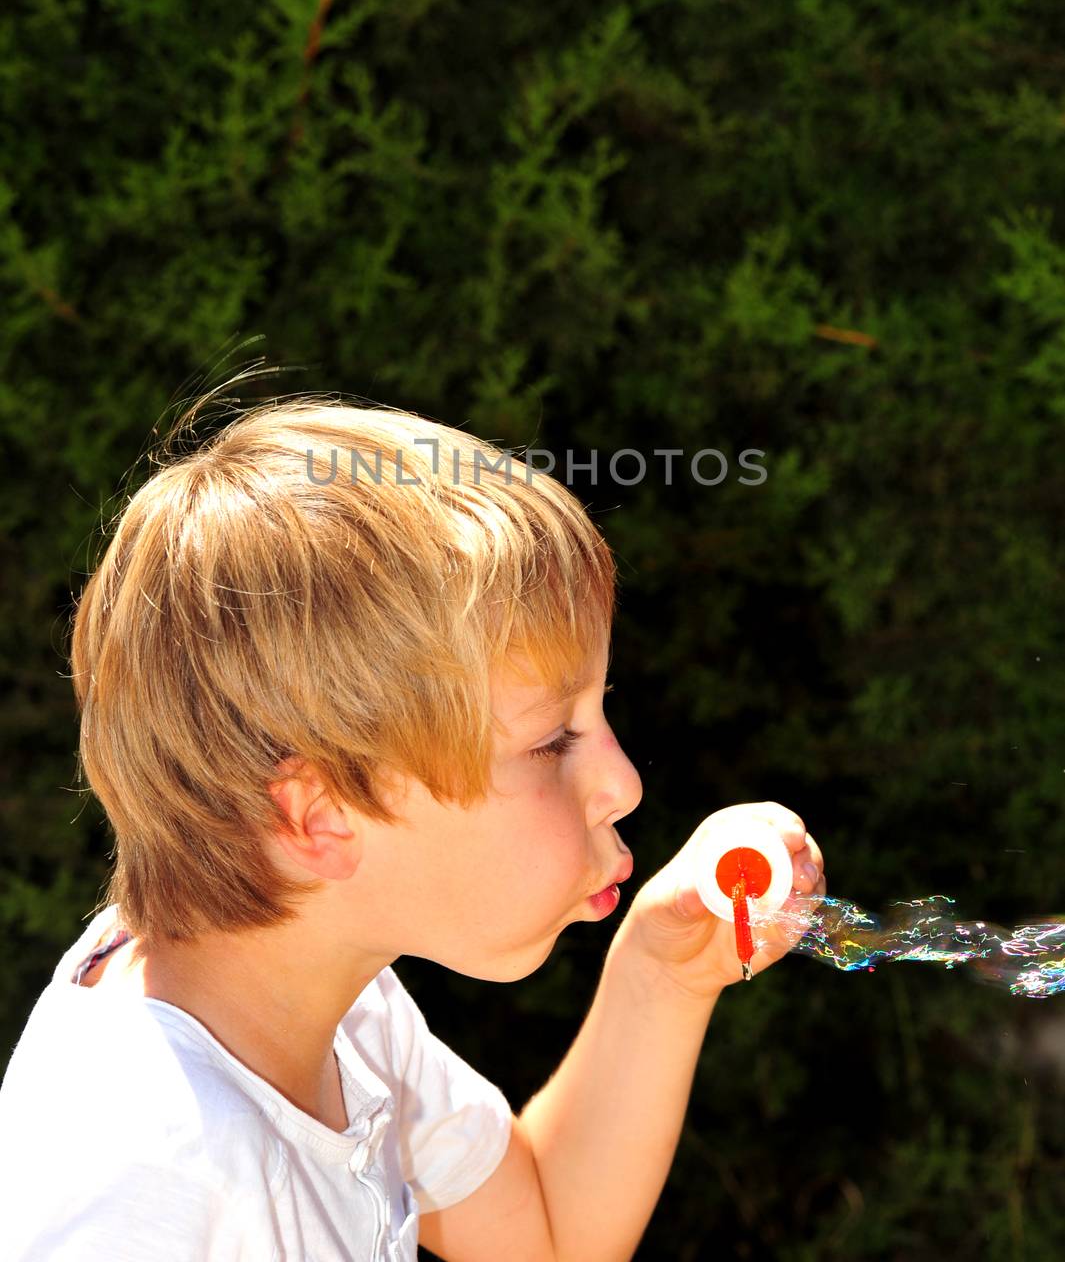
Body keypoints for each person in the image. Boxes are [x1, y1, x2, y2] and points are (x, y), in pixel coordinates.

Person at [0, 395, 825, 1261]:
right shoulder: (137, 1173)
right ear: (319, 818)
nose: (621, 781)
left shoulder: (338, 1010)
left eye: (598, 713)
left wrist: (663, 976)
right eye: (551, 741)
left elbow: (547, 1231)